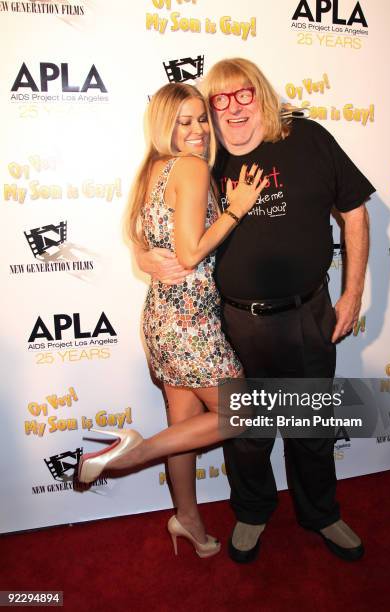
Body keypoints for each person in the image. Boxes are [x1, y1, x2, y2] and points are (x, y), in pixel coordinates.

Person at [137, 58, 375, 564]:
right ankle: (251, 512)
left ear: (260, 93)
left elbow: (354, 209)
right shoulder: (206, 155)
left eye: (241, 94)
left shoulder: (307, 138)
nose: (230, 109)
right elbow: (165, 224)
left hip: (307, 315)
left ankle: (322, 513)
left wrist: (352, 293)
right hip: (234, 323)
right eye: (218, 102)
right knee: (246, 432)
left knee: (312, 424)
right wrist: (142, 255)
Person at [77, 82, 268, 558]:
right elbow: (190, 251)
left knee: (182, 422)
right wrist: (237, 210)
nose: (199, 129)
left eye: (202, 118)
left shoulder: (153, 170)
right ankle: (136, 452)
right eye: (184, 122)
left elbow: (146, 243)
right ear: (166, 125)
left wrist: (143, 255)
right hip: (189, 320)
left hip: (163, 316)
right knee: (240, 412)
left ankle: (187, 521)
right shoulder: (190, 167)